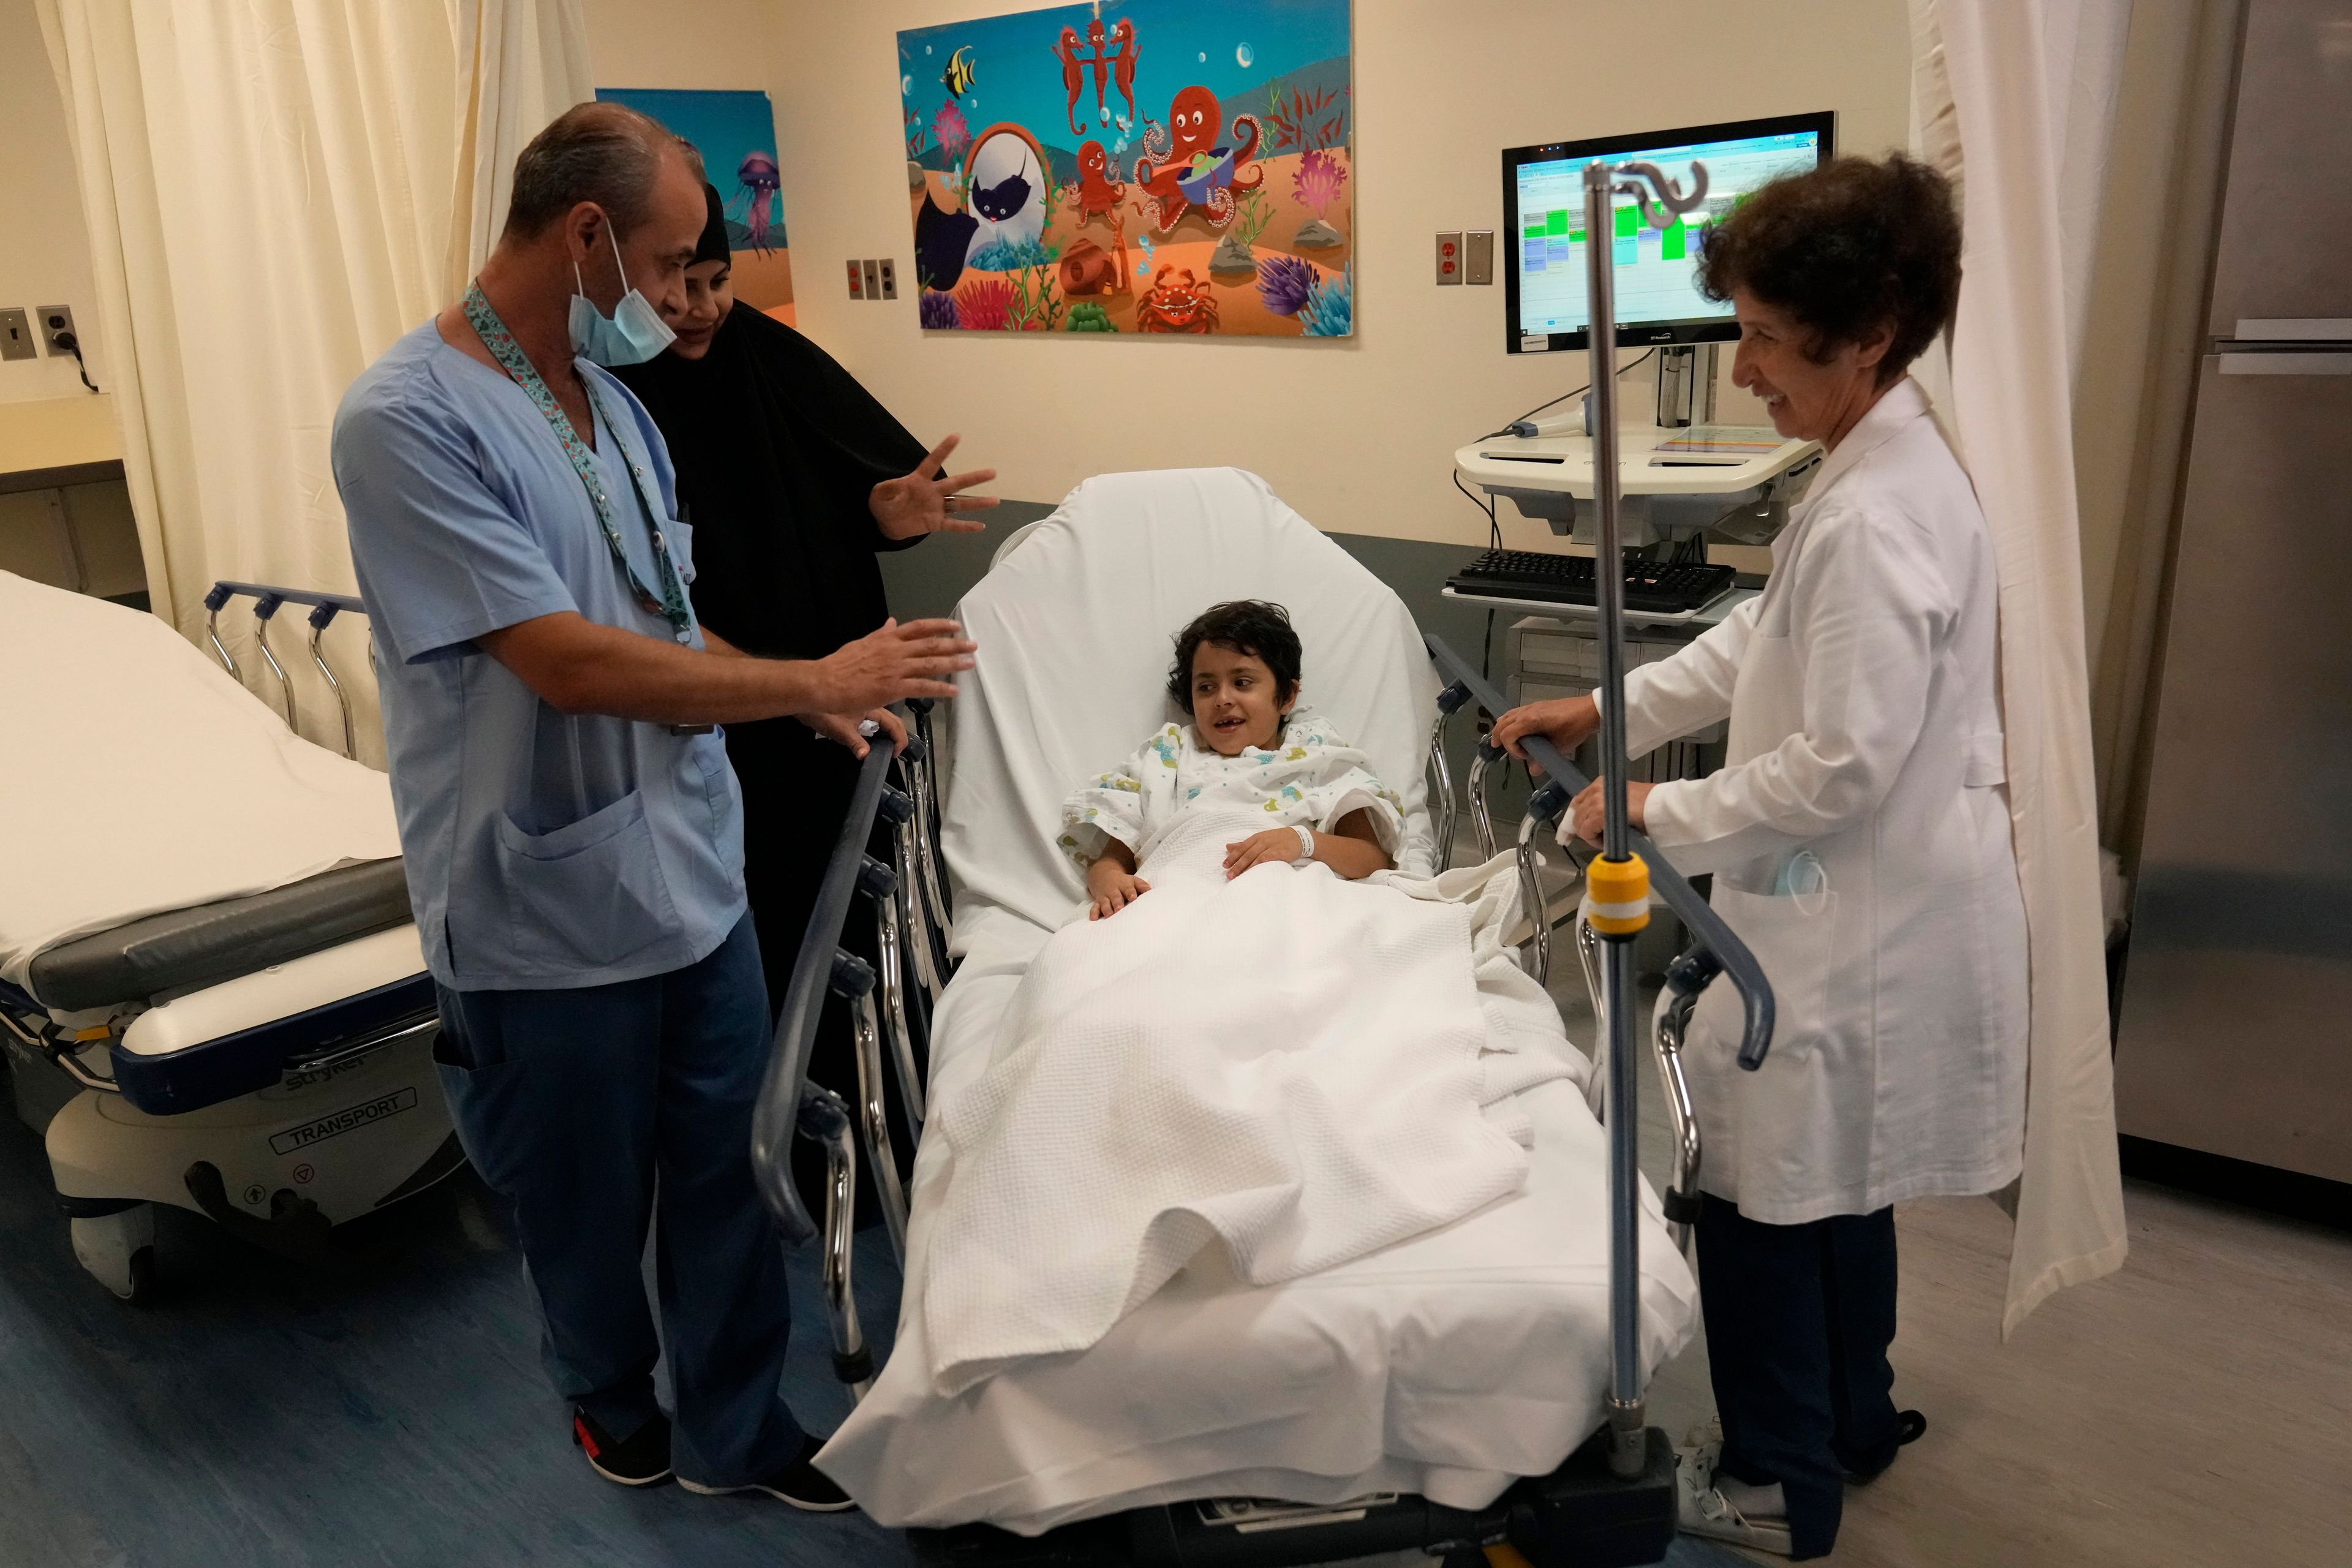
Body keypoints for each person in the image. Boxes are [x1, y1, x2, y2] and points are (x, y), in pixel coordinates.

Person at [330, 102, 975, 1510]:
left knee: (728, 1172)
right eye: (672, 258)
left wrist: (790, 692)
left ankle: (740, 1423)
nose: (689, 294)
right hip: (538, 893)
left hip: (691, 867)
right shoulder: (408, 421)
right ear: (585, 236)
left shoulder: (618, 410)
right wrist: (811, 667)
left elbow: (668, 623)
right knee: (581, 1195)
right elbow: (561, 659)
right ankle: (607, 1393)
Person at [1491, 154, 2025, 1560]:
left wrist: (1656, 811)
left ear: (1867, 336)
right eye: (1739, 328)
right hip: (1867, 902)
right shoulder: (1876, 457)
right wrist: (1607, 708)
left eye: (1769, 341)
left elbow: (1840, 763)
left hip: (1854, 912)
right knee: (1837, 1176)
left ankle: (1780, 1480)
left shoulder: (1873, 513)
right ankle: (1850, 1419)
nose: (1742, 372)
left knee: (1753, 1184)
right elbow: (1752, 643)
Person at [611, 181, 993, 1205]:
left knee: (873, 911)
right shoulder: (610, 408)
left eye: (716, 281)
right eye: (675, 286)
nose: (698, 307)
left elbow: (849, 491)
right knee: (770, 930)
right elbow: (633, 600)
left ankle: (904, 1132)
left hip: (848, 698)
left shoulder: (771, 360)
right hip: (723, 716)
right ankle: (798, 1160)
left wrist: (887, 509)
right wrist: (781, 690)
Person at [1064, 601, 1398, 921]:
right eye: (1206, 687)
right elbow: (1110, 861)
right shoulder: (1167, 758)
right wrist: (1108, 881)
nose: (1223, 699)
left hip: (1284, 903)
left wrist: (1302, 841)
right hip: (1174, 899)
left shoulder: (1317, 755)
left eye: (1242, 683)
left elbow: (1371, 860)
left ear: (1286, 696)